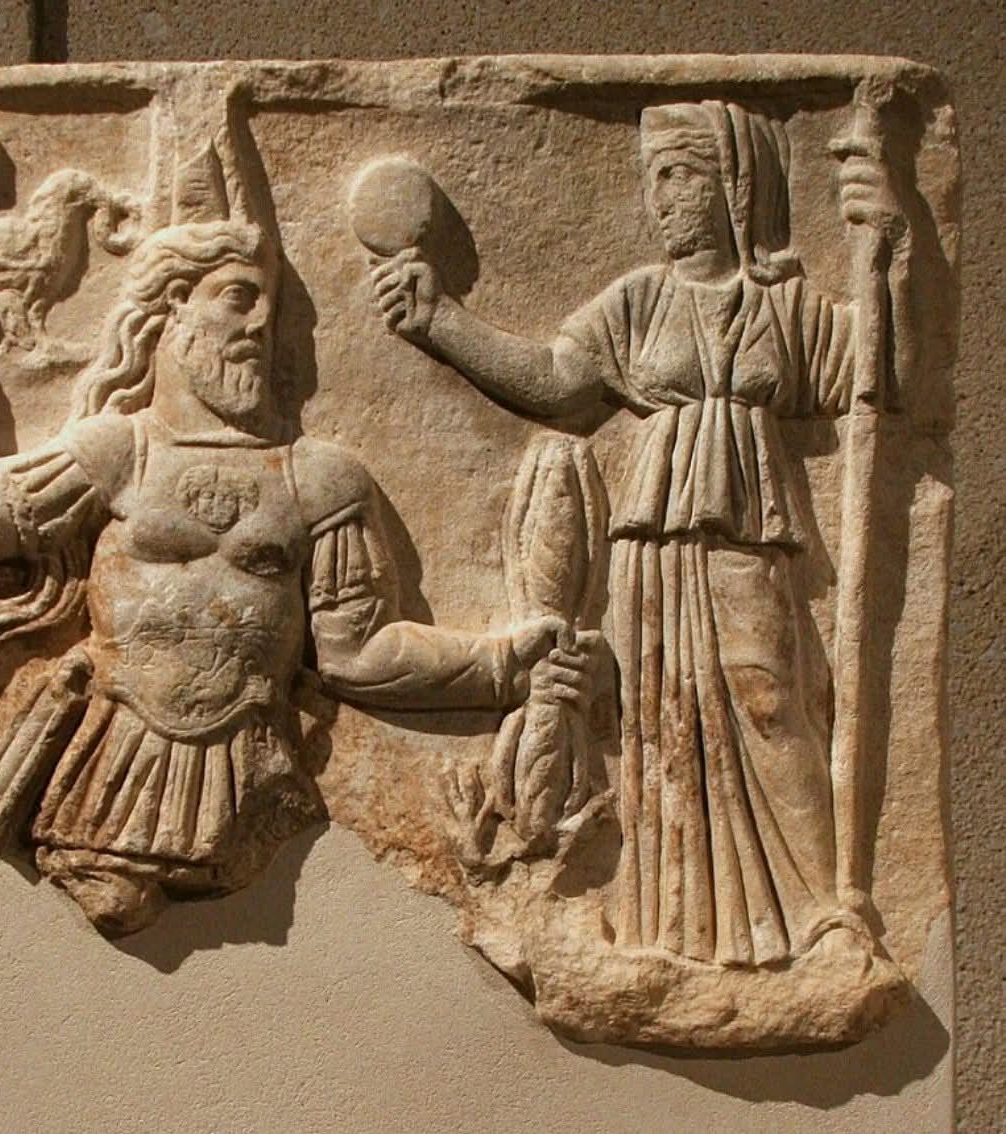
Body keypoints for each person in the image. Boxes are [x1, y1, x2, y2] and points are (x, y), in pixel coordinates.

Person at [0, 139, 593, 936]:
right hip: (106, 767)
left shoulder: (319, 477)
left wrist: (504, 664)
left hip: (249, 774)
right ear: (171, 307)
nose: (261, 325)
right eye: (237, 298)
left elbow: (356, 653)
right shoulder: (117, 452)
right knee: (113, 903)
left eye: (267, 306)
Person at [366, 101, 919, 967]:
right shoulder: (638, 301)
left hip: (747, 530)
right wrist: (441, 321)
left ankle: (819, 907)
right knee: (663, 724)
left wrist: (889, 247)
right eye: (651, 179)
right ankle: (680, 926)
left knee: (770, 699)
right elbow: (555, 381)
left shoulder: (786, 306)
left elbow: (881, 372)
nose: (659, 199)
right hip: (654, 540)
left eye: (677, 175)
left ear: (736, 185)